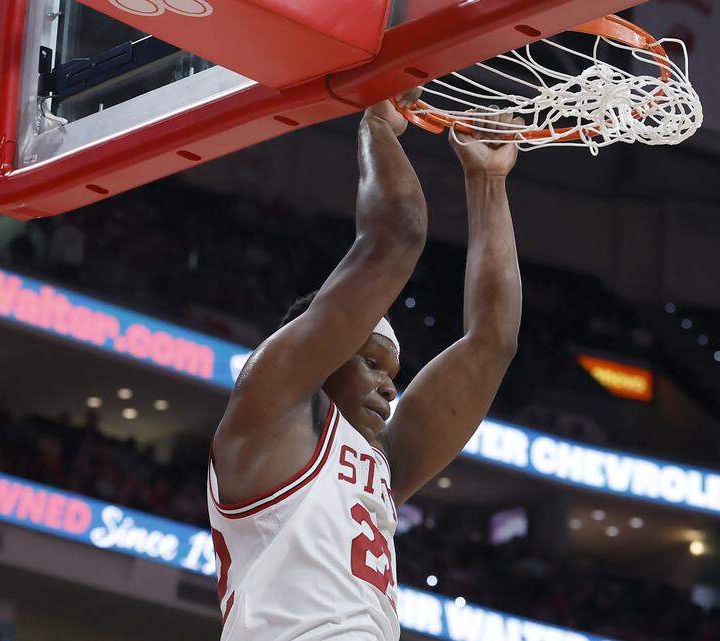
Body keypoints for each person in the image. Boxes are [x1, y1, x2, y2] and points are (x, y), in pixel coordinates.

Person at [208, 90, 523, 641]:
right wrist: (378, 123)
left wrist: (488, 180)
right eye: (371, 363)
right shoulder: (266, 411)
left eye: (392, 374)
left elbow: (491, 342)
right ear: (323, 356)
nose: (388, 388)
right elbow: (395, 236)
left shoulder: (380, 465)